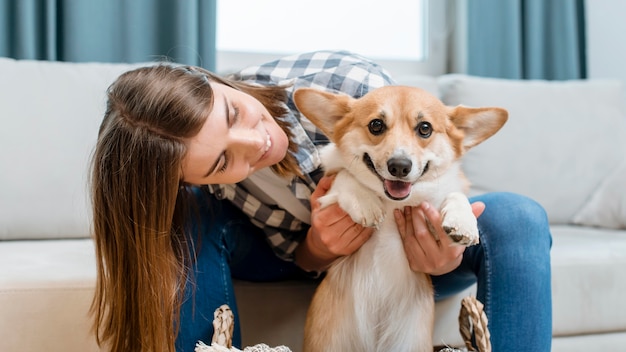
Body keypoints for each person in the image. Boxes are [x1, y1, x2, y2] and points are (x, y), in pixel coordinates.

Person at [90, 51, 552, 352]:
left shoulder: (346, 85)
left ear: (213, 81)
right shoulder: (195, 186)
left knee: (519, 217)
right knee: (187, 219)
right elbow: (296, 255)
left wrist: (442, 258)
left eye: (233, 113)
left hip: (407, 246)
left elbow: (416, 161)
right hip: (293, 255)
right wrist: (318, 248)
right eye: (222, 162)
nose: (255, 143)